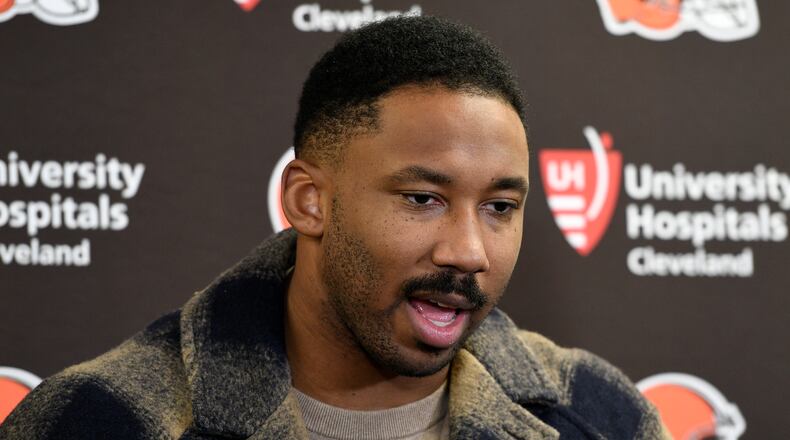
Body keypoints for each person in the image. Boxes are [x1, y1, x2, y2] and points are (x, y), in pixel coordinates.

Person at [0, 16, 669, 440]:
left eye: (500, 208)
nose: (468, 252)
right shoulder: (99, 418)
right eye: (422, 199)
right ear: (308, 200)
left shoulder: (599, 414)